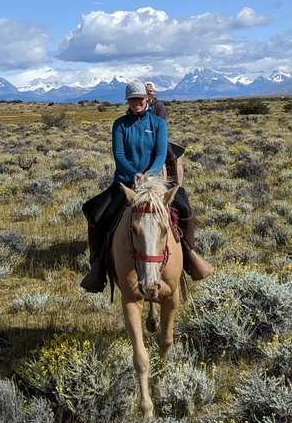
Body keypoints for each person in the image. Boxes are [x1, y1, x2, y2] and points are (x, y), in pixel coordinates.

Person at [80, 81, 213, 292]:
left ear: (147, 99)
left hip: (155, 183)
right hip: (125, 183)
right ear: (128, 101)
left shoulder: (159, 124)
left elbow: (161, 153)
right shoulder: (120, 124)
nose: (136, 103)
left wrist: (149, 175)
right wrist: (134, 174)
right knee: (95, 216)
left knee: (185, 210)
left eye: (140, 99)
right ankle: (98, 267)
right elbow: (119, 155)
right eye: (132, 100)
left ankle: (188, 256)